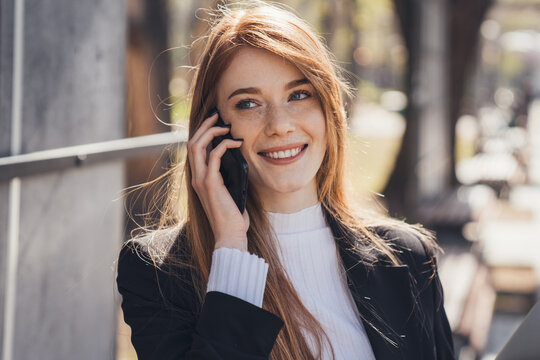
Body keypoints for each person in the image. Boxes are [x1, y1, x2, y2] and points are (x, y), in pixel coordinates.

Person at [116, 2, 455, 359]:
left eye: (299, 95)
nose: (280, 124)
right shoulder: (158, 272)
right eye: (248, 103)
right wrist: (231, 246)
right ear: (212, 130)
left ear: (329, 109)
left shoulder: (408, 257)